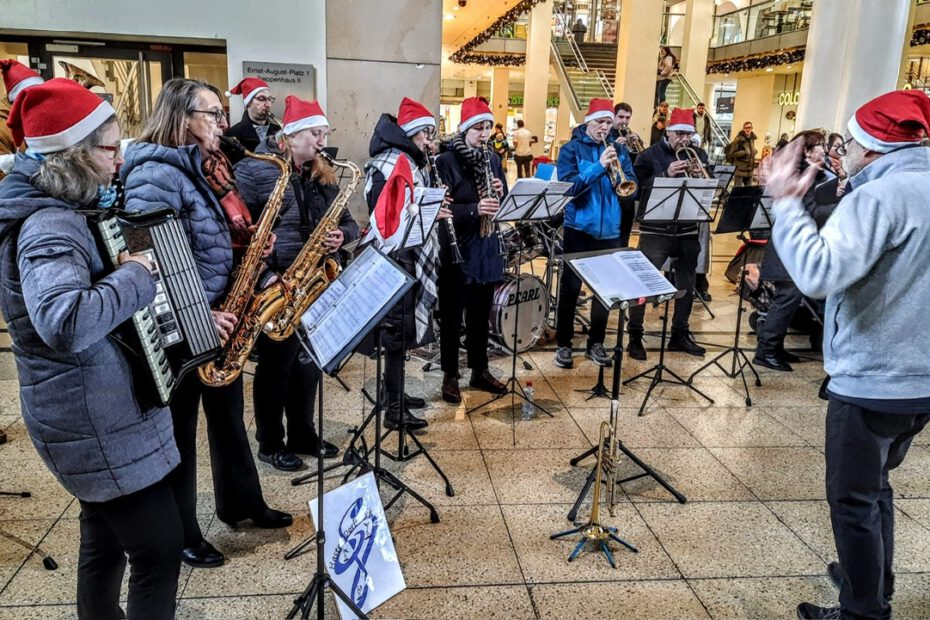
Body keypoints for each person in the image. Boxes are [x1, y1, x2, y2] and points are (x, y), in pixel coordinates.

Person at [0, 77, 182, 620]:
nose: (120, 158)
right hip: (91, 418)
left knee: (103, 545)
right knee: (158, 550)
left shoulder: (65, 207)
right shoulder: (49, 223)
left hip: (95, 411)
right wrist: (135, 277)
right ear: (74, 156)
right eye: (109, 147)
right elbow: (65, 321)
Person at [766, 90, 930, 620]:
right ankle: (871, 579)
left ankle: (863, 610)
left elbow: (816, 274)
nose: (846, 151)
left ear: (874, 146)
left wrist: (786, 203)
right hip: (921, 379)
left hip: (874, 377)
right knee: (875, 487)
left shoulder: (880, 197)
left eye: (853, 142)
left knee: (853, 502)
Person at [122, 78, 292, 570]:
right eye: (212, 114)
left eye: (221, 113)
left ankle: (242, 503)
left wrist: (253, 248)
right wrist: (199, 312)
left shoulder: (208, 166)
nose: (223, 122)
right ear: (182, 118)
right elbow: (151, 261)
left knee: (227, 416)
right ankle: (182, 534)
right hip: (185, 322)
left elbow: (211, 239)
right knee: (180, 432)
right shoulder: (153, 174)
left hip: (223, 312)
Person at [234, 96, 354, 470]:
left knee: (308, 364)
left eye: (324, 133)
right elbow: (239, 234)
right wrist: (268, 277)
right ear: (291, 135)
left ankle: (303, 433)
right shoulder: (255, 171)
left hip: (315, 282)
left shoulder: (324, 172)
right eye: (316, 133)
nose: (323, 141)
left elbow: (348, 221)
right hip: (276, 283)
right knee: (274, 368)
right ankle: (270, 443)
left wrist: (342, 237)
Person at [361, 96, 449, 428]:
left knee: (403, 332)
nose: (429, 140)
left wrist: (430, 210)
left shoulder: (411, 161)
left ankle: (393, 392)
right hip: (393, 259)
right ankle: (394, 411)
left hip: (408, 255)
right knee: (396, 335)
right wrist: (424, 212)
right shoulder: (388, 164)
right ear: (409, 134)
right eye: (425, 134)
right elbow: (383, 217)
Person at [435, 96, 508, 404]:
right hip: (458, 250)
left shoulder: (491, 158)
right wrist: (475, 208)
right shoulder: (445, 161)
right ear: (464, 128)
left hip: (486, 248)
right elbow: (443, 209)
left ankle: (480, 370)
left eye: (488, 126)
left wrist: (501, 191)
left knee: (480, 316)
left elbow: (500, 200)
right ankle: (450, 375)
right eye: (478, 127)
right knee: (452, 318)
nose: (484, 133)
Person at [554, 98, 636, 369]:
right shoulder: (570, 150)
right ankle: (564, 344)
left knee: (605, 291)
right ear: (588, 122)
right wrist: (599, 166)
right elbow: (568, 188)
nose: (605, 127)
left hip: (610, 229)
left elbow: (630, 183)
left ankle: (596, 343)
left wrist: (623, 176)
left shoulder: (618, 150)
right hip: (579, 228)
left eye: (608, 123)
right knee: (570, 289)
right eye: (600, 122)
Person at [627, 107, 710, 360]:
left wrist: (702, 178)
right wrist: (665, 175)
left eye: (688, 135)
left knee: (687, 284)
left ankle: (679, 334)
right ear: (668, 132)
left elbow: (710, 188)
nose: (684, 140)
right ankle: (634, 336)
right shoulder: (648, 155)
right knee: (642, 282)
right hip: (656, 230)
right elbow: (636, 191)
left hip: (687, 229)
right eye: (679, 134)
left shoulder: (699, 154)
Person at [754, 130, 836, 372]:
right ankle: (765, 352)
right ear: (807, 151)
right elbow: (811, 210)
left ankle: (775, 347)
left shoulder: (814, 173)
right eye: (819, 146)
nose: (824, 149)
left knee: (790, 301)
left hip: (794, 250)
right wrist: (840, 205)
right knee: (785, 301)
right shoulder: (800, 175)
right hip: (787, 253)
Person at [222, 77, 282, 164]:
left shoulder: (279, 132)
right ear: (248, 103)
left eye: (270, 99)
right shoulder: (232, 135)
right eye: (261, 99)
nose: (268, 104)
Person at [609, 101, 642, 246]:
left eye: (627, 118)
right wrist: (615, 145)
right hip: (612, 190)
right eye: (621, 117)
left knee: (624, 234)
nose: (624, 121)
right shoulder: (606, 136)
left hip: (627, 190)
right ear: (614, 116)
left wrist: (637, 144)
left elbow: (639, 163)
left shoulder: (630, 136)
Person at [726, 121, 757, 186]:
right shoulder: (738, 139)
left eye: (749, 127)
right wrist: (744, 153)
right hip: (740, 170)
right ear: (743, 129)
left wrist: (754, 151)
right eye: (746, 128)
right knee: (737, 192)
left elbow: (751, 150)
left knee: (747, 193)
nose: (748, 129)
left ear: (752, 128)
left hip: (750, 171)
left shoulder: (752, 139)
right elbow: (732, 154)